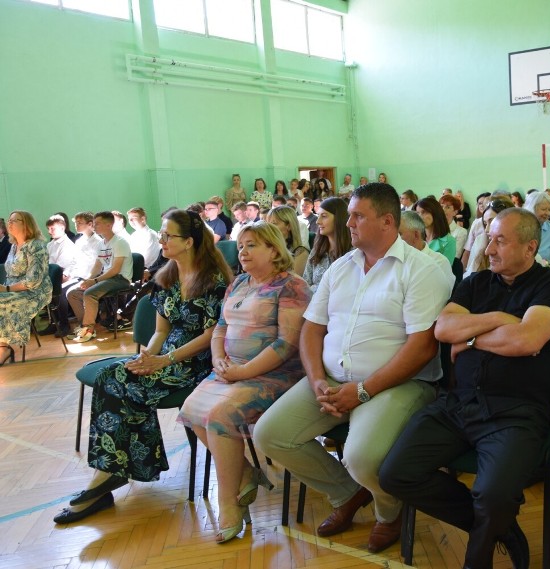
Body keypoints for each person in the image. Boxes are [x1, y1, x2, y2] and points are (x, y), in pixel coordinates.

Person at [254, 183, 452, 554]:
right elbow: (312, 329)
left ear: (388, 221)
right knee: (270, 434)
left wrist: (362, 391)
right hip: (330, 379)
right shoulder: (342, 267)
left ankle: (388, 512)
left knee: (361, 457)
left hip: (399, 384)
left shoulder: (421, 270)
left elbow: (422, 348)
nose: (350, 223)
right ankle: (347, 492)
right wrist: (316, 382)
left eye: (359, 216)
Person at [380, 208, 550, 569]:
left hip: (516, 412)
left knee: (494, 494)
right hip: (457, 404)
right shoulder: (475, 283)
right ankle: (498, 527)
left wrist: (468, 340)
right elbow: (443, 329)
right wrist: (500, 320)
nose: (489, 247)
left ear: (531, 247)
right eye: (488, 237)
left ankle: (478, 557)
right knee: (395, 473)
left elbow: (527, 339)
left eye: (501, 240)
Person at [53, 210, 232, 524]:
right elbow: (161, 332)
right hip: (166, 356)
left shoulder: (214, 281)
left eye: (167, 235)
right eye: (161, 234)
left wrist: (163, 360)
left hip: (196, 362)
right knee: (115, 375)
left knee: (122, 382)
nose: (160, 239)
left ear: (189, 242)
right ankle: (110, 473)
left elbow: (210, 335)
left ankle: (107, 478)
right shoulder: (168, 276)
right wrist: (146, 357)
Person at [178, 221, 312, 543]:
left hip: (275, 375)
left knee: (220, 416)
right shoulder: (239, 282)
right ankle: (247, 473)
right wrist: (218, 360)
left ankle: (229, 506)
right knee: (192, 411)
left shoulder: (291, 286)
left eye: (252, 244)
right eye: (240, 245)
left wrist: (243, 372)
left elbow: (286, 345)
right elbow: (221, 328)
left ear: (274, 249)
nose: (243, 251)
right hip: (231, 369)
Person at [65, 210, 134, 343]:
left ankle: (88, 329)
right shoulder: (101, 243)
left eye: (97, 224)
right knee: (72, 293)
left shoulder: (120, 242)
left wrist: (94, 281)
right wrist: (88, 280)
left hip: (120, 279)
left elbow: (115, 270)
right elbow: (98, 266)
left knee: (90, 293)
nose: (94, 226)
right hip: (107, 278)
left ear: (109, 225)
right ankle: (85, 326)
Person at [0, 211, 51, 365]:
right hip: (14, 289)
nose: (10, 223)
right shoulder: (14, 245)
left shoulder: (36, 246)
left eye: (15, 220)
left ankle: (4, 348)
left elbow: (33, 281)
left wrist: (6, 290)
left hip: (35, 292)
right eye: (9, 220)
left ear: (26, 224)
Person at [303, 197, 352, 292]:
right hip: (313, 303)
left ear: (339, 218)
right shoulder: (317, 249)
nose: (318, 221)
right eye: (318, 216)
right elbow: (306, 282)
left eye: (324, 216)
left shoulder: (353, 252)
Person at [398, 211, 455, 290]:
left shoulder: (439, 262)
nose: (393, 239)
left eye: (399, 234)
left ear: (416, 235)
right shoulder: (392, 258)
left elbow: (438, 298)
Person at [464, 199, 511, 278]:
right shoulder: (481, 240)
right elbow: (469, 274)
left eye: (492, 222)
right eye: (485, 224)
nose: (487, 229)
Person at [266, 206, 309, 276]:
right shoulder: (268, 249)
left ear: (289, 226)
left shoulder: (300, 253)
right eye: (268, 223)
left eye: (274, 223)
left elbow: (293, 282)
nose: (268, 227)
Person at [415, 197, 456, 265]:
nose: (420, 216)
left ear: (435, 213)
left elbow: (444, 270)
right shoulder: (416, 237)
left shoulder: (449, 241)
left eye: (424, 212)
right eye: (417, 213)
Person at [439, 194, 468, 260]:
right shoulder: (434, 229)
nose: (443, 210)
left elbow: (455, 256)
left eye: (448, 207)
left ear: (455, 212)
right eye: (441, 206)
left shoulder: (461, 232)